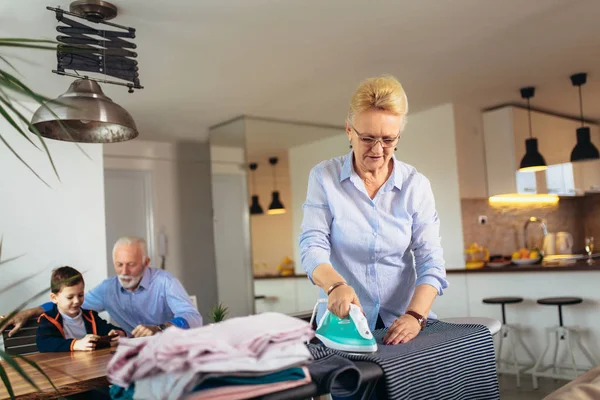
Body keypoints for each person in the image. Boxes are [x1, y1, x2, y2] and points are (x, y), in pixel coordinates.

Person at [299, 75, 448, 346]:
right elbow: (312, 245)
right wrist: (335, 285)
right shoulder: (324, 178)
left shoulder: (416, 186)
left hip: (404, 322)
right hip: (346, 322)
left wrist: (415, 316)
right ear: (348, 130)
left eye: (389, 140)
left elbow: (431, 262)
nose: (378, 150)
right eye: (367, 138)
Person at [6, 236, 202, 338]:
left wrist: (160, 328)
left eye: (131, 264)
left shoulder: (165, 282)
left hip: (167, 350)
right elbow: (71, 306)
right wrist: (29, 312)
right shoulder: (109, 288)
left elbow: (194, 318)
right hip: (130, 357)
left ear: (146, 262)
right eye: (119, 264)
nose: (124, 271)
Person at [36, 266, 126, 352]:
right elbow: (43, 343)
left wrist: (119, 333)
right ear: (54, 298)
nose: (76, 301)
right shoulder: (48, 319)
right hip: (62, 365)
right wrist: (76, 344)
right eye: (70, 297)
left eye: (80, 295)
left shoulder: (91, 316)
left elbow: (107, 328)